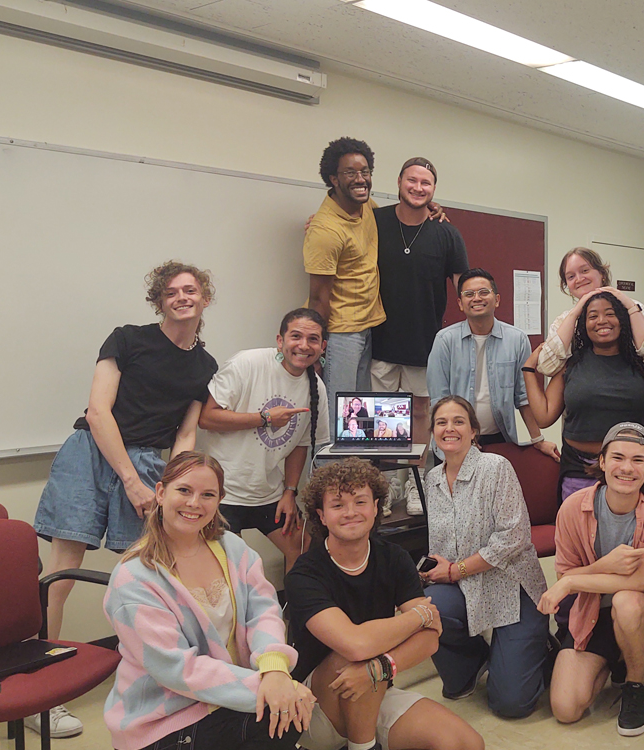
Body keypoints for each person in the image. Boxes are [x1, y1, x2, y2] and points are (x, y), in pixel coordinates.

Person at [32, 260, 218, 738]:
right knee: (60, 575)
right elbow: (98, 412)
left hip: (151, 466)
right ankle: (41, 694)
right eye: (172, 291)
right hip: (92, 452)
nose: (182, 296)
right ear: (159, 301)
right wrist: (132, 481)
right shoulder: (128, 338)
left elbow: (188, 430)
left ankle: (157, 686)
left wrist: (174, 483)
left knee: (149, 577)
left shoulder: (204, 365)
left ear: (204, 298)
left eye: (191, 290)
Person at [103, 451, 315, 750]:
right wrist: (268, 689)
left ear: (219, 501)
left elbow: (263, 611)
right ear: (161, 493)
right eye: (184, 490)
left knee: (289, 713)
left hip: (228, 699)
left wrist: (275, 669)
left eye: (208, 495)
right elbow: (177, 669)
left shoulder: (232, 548)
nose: (194, 503)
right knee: (284, 709)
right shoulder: (134, 577)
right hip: (167, 718)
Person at [285, 458, 484, 750]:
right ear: (322, 516)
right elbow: (355, 645)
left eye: (360, 502)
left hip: (370, 685)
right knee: (355, 656)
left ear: (376, 507)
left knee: (466, 743)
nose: (351, 512)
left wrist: (383, 667)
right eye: (338, 505)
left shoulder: (394, 557)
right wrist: (419, 615)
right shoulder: (305, 573)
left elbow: (430, 638)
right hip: (313, 707)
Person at [539, 422, 644, 737]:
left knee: (626, 601)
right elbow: (565, 573)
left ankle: (635, 684)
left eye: (637, 460)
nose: (626, 468)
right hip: (591, 612)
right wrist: (599, 567)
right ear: (602, 462)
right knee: (566, 709)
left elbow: (641, 580)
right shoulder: (572, 509)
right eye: (617, 457)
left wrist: (570, 583)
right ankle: (616, 657)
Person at [418, 396, 550, 717]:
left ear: (474, 431)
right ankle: (472, 663)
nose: (450, 428)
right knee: (424, 608)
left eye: (459, 421)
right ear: (433, 432)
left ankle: (541, 650)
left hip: (513, 588)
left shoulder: (495, 468)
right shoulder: (432, 479)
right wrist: (431, 570)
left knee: (511, 705)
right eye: (442, 422)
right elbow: (441, 545)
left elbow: (513, 538)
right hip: (466, 587)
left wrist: (454, 571)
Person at [367, 157, 469, 514]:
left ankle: (414, 482)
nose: (418, 188)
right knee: (383, 417)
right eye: (412, 180)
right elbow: (342, 235)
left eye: (426, 183)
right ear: (399, 182)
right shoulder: (375, 221)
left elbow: (463, 285)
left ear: (433, 190)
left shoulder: (446, 232)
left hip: (425, 341)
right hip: (379, 337)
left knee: (421, 414)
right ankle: (385, 485)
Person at [197, 308, 331, 573]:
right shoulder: (247, 364)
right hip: (224, 491)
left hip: (268, 492)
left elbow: (301, 444)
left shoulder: (317, 387)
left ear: (323, 346)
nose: (303, 346)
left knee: (304, 547)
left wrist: (290, 491)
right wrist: (264, 418)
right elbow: (207, 418)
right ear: (280, 341)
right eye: (296, 336)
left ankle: (296, 613)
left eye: (313, 339)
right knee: (232, 568)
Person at [523, 290, 644, 502]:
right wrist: (528, 372)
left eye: (610, 314)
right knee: (581, 534)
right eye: (592, 316)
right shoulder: (572, 364)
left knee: (635, 534)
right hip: (580, 471)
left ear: (622, 321)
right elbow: (544, 416)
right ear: (583, 325)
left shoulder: (642, 364)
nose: (601, 321)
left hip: (631, 471)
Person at [427, 268, 558, 455]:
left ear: (496, 300)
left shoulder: (517, 339)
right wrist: (463, 438)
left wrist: (537, 439)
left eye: (483, 292)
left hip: (500, 439)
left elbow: (522, 397)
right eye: (469, 294)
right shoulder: (445, 340)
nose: (477, 298)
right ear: (460, 303)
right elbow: (439, 400)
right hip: (455, 440)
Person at [304, 137, 386, 396]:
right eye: (350, 173)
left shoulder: (368, 207)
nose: (360, 179)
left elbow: (399, 220)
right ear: (334, 179)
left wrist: (430, 207)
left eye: (365, 171)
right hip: (341, 334)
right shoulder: (324, 230)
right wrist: (317, 347)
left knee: (359, 406)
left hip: (367, 325)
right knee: (338, 408)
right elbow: (318, 297)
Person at [536, 247, 644, 376]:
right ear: (567, 285)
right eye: (571, 276)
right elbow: (547, 367)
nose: (579, 279)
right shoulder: (564, 320)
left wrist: (630, 307)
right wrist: (574, 314)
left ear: (602, 273)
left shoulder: (635, 308)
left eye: (585, 270)